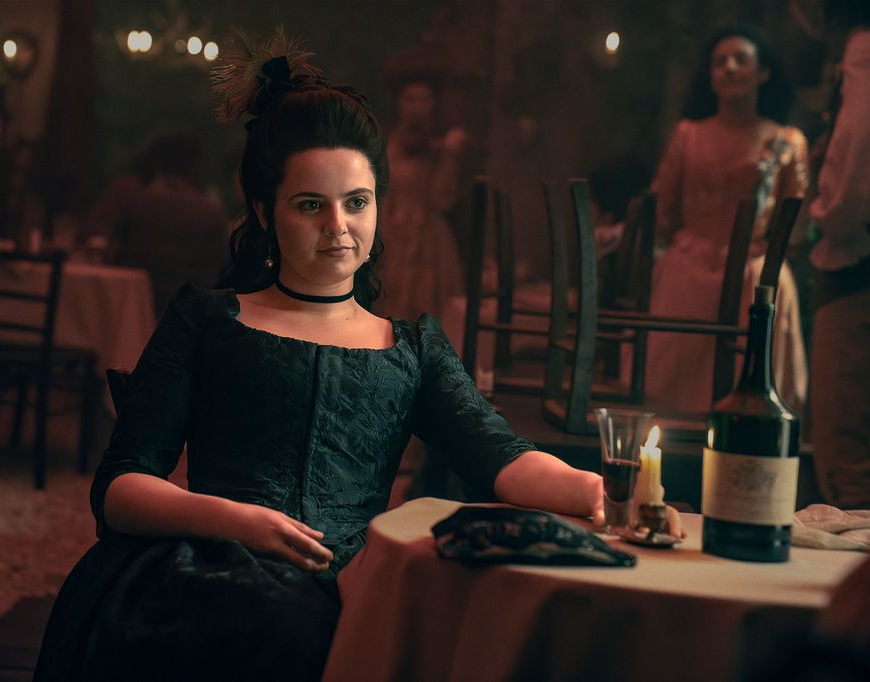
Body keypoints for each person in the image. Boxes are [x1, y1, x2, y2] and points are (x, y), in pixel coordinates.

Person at [34, 37, 667, 681]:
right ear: (265, 212)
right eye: (311, 204)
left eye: (356, 202)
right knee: (271, 626)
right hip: (206, 573)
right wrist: (240, 523)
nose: (338, 225)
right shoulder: (208, 321)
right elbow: (118, 490)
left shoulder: (411, 348)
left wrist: (602, 489)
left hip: (352, 584)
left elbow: (502, 457)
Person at [647, 24, 810, 414]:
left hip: (755, 273)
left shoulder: (787, 141)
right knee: (668, 399)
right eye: (719, 62)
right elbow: (662, 208)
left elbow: (797, 227)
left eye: (741, 59)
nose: (730, 68)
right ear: (710, 75)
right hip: (688, 268)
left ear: (763, 72)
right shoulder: (688, 135)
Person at [808, 0, 870, 509]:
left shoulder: (867, 49)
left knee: (845, 451)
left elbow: (857, 145)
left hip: (865, 272)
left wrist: (832, 215)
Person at [82, 131, 231, 316]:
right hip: (187, 307)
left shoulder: (136, 198)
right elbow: (221, 260)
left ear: (158, 164)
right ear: (195, 168)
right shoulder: (209, 211)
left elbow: (95, 234)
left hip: (129, 303)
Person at [376, 49, 468, 323]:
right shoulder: (385, 143)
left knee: (425, 312)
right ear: (399, 103)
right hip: (390, 236)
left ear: (433, 104)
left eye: (423, 100)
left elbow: (444, 200)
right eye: (410, 99)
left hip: (429, 243)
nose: (416, 107)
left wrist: (449, 156)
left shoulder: (439, 147)